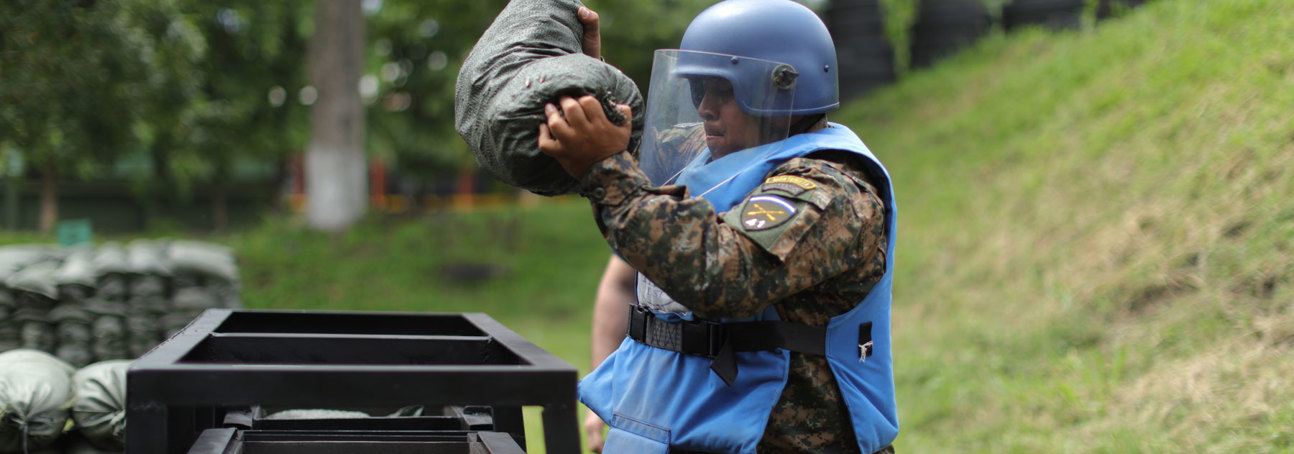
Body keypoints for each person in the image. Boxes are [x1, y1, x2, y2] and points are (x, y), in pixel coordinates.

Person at [542, 0, 899, 452]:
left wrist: (603, 167)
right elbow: (618, 141)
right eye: (698, 90)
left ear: (782, 88)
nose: (706, 108)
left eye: (723, 91)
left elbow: (723, 274)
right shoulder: (709, 149)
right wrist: (583, 85)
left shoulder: (831, 189)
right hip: (669, 428)